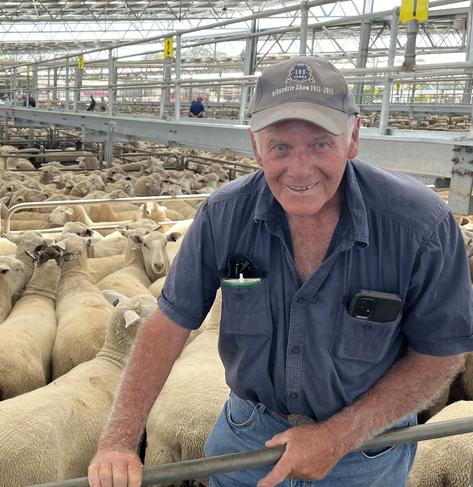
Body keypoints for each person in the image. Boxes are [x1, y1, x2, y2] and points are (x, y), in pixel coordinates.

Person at [87, 55, 473, 487]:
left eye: (321, 143)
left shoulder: (420, 226)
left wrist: (337, 436)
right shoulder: (222, 215)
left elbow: (440, 355)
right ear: (255, 145)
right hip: (248, 439)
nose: (300, 169)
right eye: (281, 147)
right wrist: (119, 439)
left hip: (362, 453)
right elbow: (169, 324)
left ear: (354, 137)